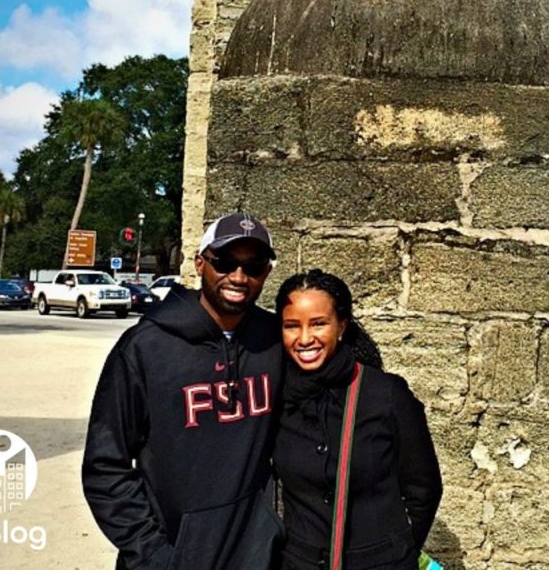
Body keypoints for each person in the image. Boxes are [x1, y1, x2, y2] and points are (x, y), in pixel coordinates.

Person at [83, 212, 285, 569]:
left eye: (253, 266)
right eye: (224, 262)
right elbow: (105, 465)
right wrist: (153, 554)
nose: (238, 278)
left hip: (256, 554)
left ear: (266, 273)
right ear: (199, 263)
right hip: (172, 555)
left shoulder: (275, 341)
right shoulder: (145, 347)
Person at [274, 270, 442, 570]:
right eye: (291, 326)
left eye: (319, 324)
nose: (304, 338)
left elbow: (424, 489)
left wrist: (396, 551)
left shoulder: (386, 395)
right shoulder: (276, 397)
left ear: (341, 326)